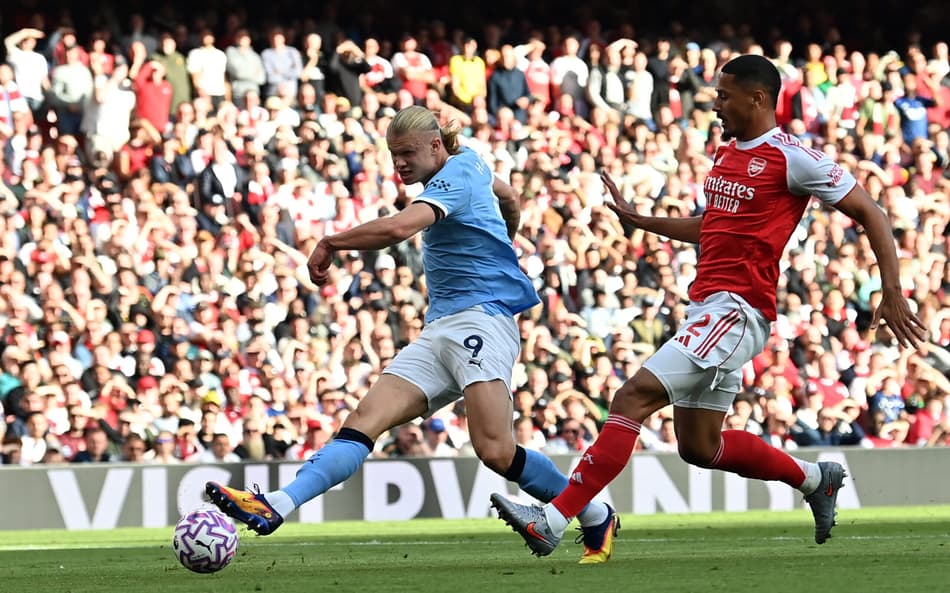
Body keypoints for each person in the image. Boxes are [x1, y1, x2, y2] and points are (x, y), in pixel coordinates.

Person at [490, 54, 927, 556]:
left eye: (724, 96)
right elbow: (712, 225)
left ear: (757, 98)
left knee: (632, 396)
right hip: (711, 309)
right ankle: (815, 479)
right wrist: (643, 221)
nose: (715, 105)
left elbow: (868, 210)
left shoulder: (792, 157)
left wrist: (890, 288)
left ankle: (553, 517)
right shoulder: (727, 154)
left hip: (738, 309)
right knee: (700, 447)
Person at [207, 105, 618, 564]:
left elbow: (401, 227)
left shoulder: (459, 172)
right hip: (440, 327)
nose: (399, 163)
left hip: (483, 319)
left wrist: (331, 242)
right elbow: (510, 199)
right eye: (393, 155)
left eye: (407, 153)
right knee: (364, 419)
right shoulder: (474, 164)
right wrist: (505, 240)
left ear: (436, 146)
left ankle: (595, 512)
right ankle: (275, 505)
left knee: (495, 450)